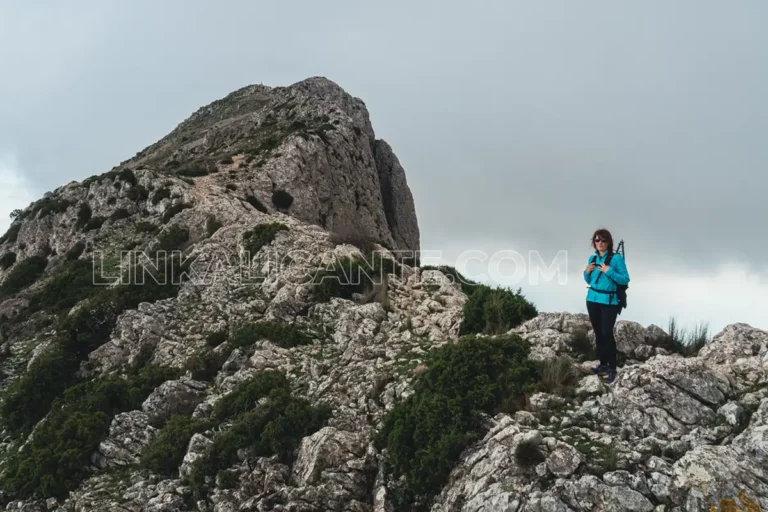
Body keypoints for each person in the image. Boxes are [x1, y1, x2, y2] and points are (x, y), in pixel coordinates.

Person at [583, 228, 630, 384]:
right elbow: (590, 281)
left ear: (609, 242)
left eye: (603, 240)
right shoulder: (593, 258)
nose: (600, 243)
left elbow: (625, 279)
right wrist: (586, 272)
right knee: (598, 333)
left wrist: (608, 271)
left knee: (607, 333)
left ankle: (612, 367)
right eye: (597, 240)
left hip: (609, 301)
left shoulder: (616, 259)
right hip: (592, 299)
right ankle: (603, 364)